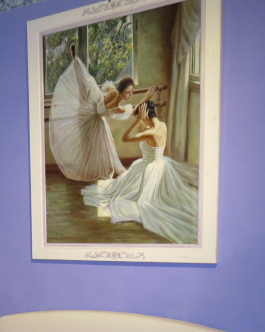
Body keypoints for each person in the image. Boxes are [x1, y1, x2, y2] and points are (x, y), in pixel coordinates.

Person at [81, 100, 199, 244]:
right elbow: (148, 136)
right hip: (161, 164)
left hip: (149, 168)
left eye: (139, 116)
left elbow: (125, 138)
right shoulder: (162, 125)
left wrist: (137, 121)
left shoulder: (150, 133)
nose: (139, 119)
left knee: (136, 200)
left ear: (144, 115)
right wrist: (143, 121)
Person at [49, 44, 156, 182]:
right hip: (92, 116)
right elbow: (130, 109)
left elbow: (121, 101)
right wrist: (145, 98)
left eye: (131, 92)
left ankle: (76, 61)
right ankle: (75, 61)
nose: (130, 95)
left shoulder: (114, 93)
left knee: (87, 83)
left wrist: (141, 98)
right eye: (128, 92)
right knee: (85, 85)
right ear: (121, 92)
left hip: (94, 111)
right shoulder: (116, 103)